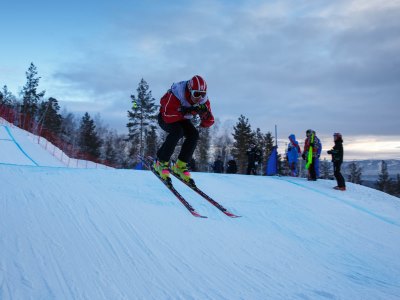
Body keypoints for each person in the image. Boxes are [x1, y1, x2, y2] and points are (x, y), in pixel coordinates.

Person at [154, 75, 215, 183]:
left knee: (194, 135)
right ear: (190, 90)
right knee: (178, 132)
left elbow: (209, 122)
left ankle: (180, 166)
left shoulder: (203, 100)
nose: (199, 98)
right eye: (196, 94)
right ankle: (161, 162)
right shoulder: (177, 93)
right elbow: (167, 116)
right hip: (165, 117)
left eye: (203, 94)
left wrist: (205, 115)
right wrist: (186, 111)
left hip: (183, 119)